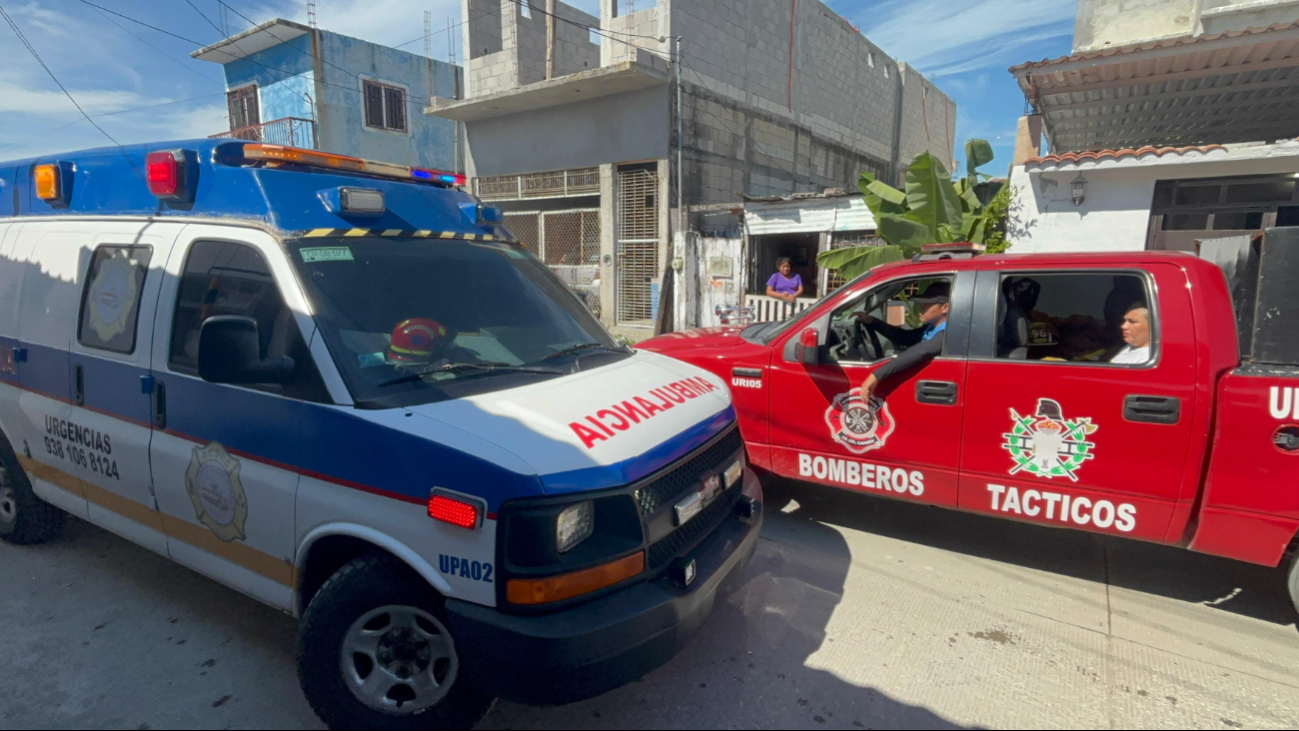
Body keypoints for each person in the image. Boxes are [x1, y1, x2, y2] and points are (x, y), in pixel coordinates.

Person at [855, 282, 950, 399]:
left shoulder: (947, 334)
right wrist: (871, 321)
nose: (921, 307)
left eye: (926, 304)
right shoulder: (932, 327)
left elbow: (921, 351)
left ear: (945, 308)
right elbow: (905, 337)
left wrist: (876, 375)